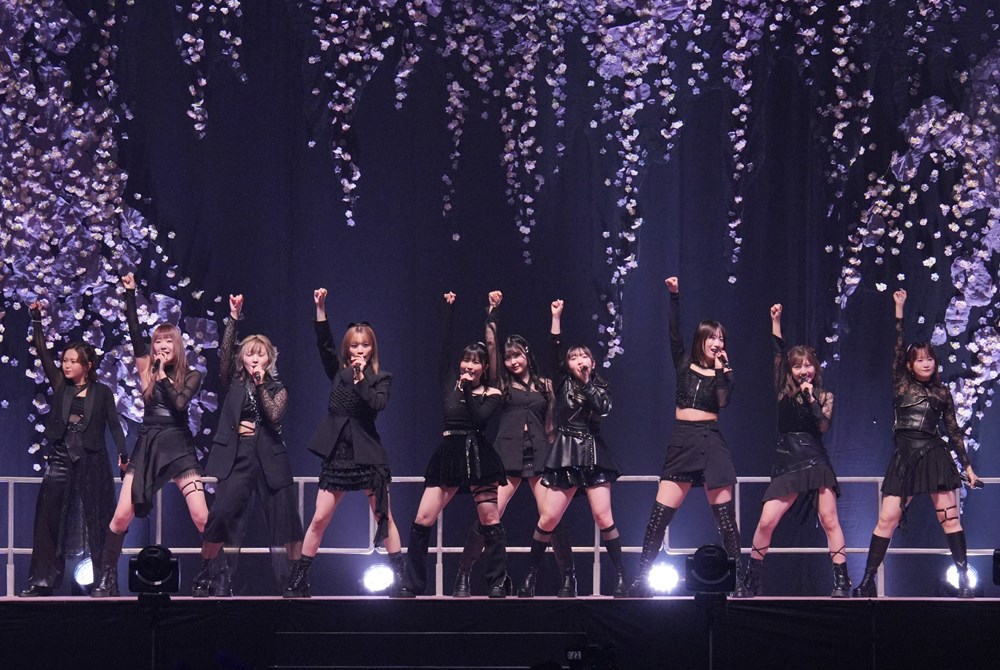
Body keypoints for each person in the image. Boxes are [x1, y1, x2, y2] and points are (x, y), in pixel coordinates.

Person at [853, 289, 981, 598]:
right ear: (910, 365)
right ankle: (867, 581)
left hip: (935, 456)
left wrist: (967, 467)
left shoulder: (942, 393)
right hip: (905, 458)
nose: (926, 363)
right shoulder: (901, 383)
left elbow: (953, 430)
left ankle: (964, 581)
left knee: (950, 519)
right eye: (920, 359)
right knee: (887, 519)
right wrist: (899, 309)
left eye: (930, 359)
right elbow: (898, 348)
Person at [90, 273, 209, 597]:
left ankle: (214, 575)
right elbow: (134, 334)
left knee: (202, 516)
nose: (161, 346)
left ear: (177, 345)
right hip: (148, 444)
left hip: (179, 445)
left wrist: (164, 377)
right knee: (121, 516)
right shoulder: (146, 370)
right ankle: (106, 579)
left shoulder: (192, 375)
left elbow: (180, 404)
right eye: (158, 342)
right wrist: (129, 294)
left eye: (167, 341)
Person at [452, 291, 576, 598]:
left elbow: (551, 420)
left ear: (526, 354)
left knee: (552, 516)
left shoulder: (545, 385)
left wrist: (556, 319)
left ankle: (568, 579)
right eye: (508, 358)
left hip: (540, 454)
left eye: (517, 355)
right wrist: (492, 314)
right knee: (488, 516)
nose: (512, 361)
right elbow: (491, 347)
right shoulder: (501, 384)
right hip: (506, 454)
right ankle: (463, 575)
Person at [630, 276, 746, 597]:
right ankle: (641, 579)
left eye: (721, 338)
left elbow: (722, 401)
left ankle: (739, 582)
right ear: (701, 340)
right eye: (712, 337)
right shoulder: (684, 364)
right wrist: (674, 297)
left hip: (711, 441)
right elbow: (673, 333)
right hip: (682, 440)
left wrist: (721, 369)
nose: (717, 342)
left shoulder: (726, 374)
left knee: (726, 522)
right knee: (658, 518)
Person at [284, 288, 399, 598]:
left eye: (365, 345)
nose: (359, 349)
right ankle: (300, 579)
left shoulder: (381, 378)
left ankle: (400, 578)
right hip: (338, 452)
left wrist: (362, 379)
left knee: (383, 515)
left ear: (372, 348)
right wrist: (320, 309)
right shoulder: (337, 372)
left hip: (367, 452)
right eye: (354, 345)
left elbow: (376, 405)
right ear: (347, 348)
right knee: (320, 517)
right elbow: (324, 344)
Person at [395, 292, 508, 598]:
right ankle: (413, 583)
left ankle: (497, 582)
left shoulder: (492, 393)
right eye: (466, 360)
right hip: (449, 453)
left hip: (478, 455)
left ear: (484, 367)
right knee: (422, 519)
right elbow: (444, 348)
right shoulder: (449, 381)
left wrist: (469, 389)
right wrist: (449, 310)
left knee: (490, 519)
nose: (468, 366)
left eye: (476, 362)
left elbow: (480, 419)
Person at [192, 294, 304, 596]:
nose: (254, 359)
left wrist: (260, 383)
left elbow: (273, 415)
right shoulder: (234, 381)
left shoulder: (277, 388)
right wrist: (233, 317)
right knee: (219, 516)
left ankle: (297, 579)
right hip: (237, 455)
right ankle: (207, 575)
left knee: (287, 520)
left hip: (269, 456)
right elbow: (225, 353)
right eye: (249, 354)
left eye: (260, 354)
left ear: (270, 359)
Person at [517, 298, 626, 598]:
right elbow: (554, 348)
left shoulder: (600, 385)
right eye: (574, 357)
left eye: (584, 356)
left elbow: (603, 408)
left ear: (592, 362)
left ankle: (621, 577)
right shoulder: (562, 382)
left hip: (592, 452)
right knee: (548, 518)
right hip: (565, 450)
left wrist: (588, 382)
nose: (579, 360)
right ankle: (530, 577)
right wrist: (556, 317)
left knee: (604, 517)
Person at [18, 301, 127, 597]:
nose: (66, 365)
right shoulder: (60, 385)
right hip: (61, 457)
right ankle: (42, 581)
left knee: (99, 519)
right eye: (64, 360)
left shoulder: (102, 392)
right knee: (48, 518)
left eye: (72, 361)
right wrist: (37, 320)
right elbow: (42, 352)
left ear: (87, 366)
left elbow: (114, 425)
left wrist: (124, 454)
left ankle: (105, 581)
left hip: (92, 458)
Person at [742, 303, 849, 597]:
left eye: (808, 365)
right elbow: (777, 351)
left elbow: (822, 425)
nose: (804, 371)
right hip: (788, 459)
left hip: (815, 459)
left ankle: (842, 581)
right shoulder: (783, 391)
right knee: (767, 520)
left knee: (829, 519)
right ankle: (752, 579)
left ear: (815, 368)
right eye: (798, 366)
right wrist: (775, 321)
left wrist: (811, 398)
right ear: (791, 370)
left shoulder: (825, 396)